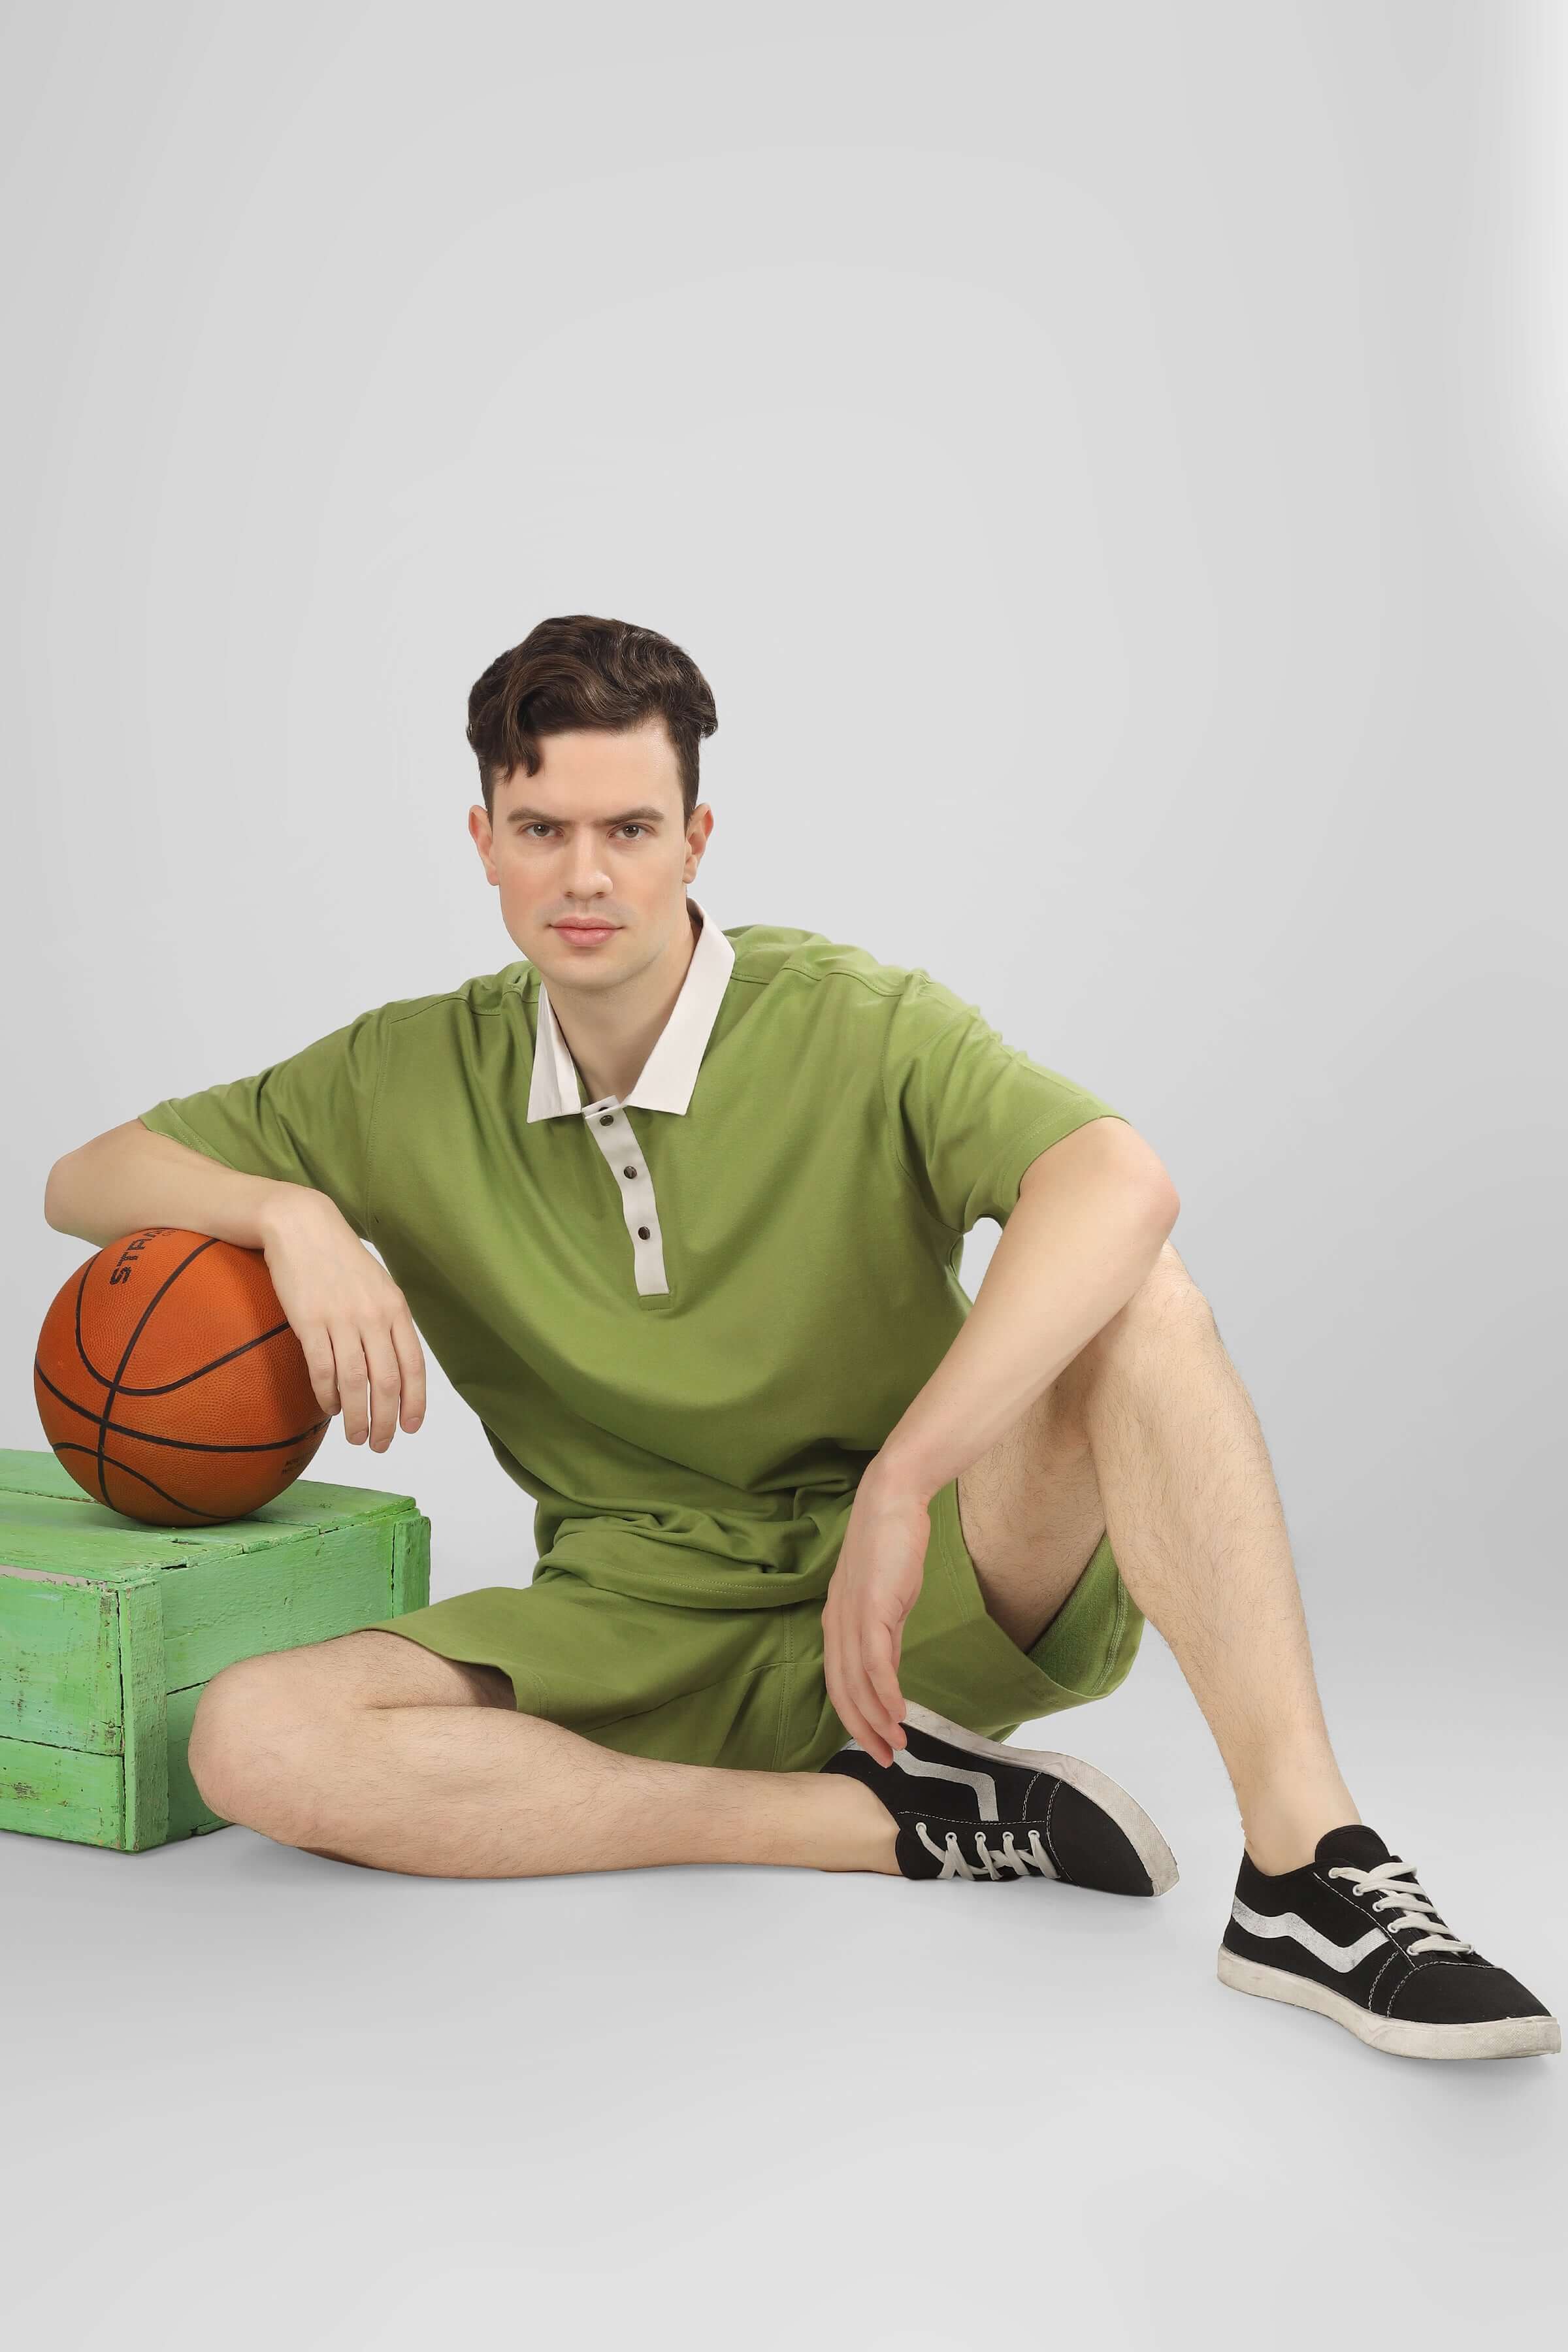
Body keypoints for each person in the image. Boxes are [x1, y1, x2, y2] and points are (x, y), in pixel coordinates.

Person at [48, 612, 1557, 2064]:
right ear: (485, 842)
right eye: (542, 830)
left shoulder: (853, 1020)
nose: (586, 876)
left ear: (697, 841)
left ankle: (1304, 1872)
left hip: (919, 1599)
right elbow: (84, 1178)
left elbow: (1118, 1178)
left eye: (629, 829)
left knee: (1146, 1300)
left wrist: (907, 1482)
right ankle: (871, 1821)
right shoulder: (400, 1076)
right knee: (250, 1742)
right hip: (633, 1611)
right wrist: (296, 1217)